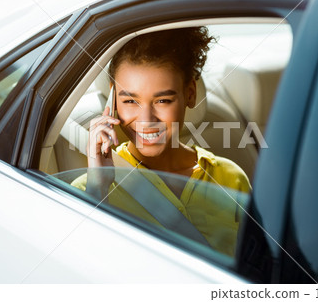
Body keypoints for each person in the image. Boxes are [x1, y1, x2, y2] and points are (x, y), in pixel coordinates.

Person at [72, 27, 251, 256]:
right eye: (130, 101)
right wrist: (97, 188)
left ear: (190, 93)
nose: (147, 120)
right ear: (113, 99)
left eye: (163, 100)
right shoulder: (87, 189)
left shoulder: (231, 178)